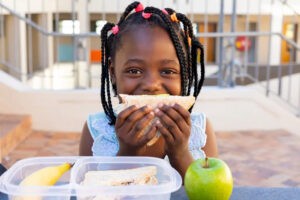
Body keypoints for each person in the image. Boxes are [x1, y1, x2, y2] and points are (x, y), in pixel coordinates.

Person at [79, 1, 218, 179]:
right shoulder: (96, 131)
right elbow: (90, 192)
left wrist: (180, 153)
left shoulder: (200, 130)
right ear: (113, 73)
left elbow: (207, 192)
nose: (152, 84)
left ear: (184, 75)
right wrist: (128, 153)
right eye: (134, 71)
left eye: (168, 71)